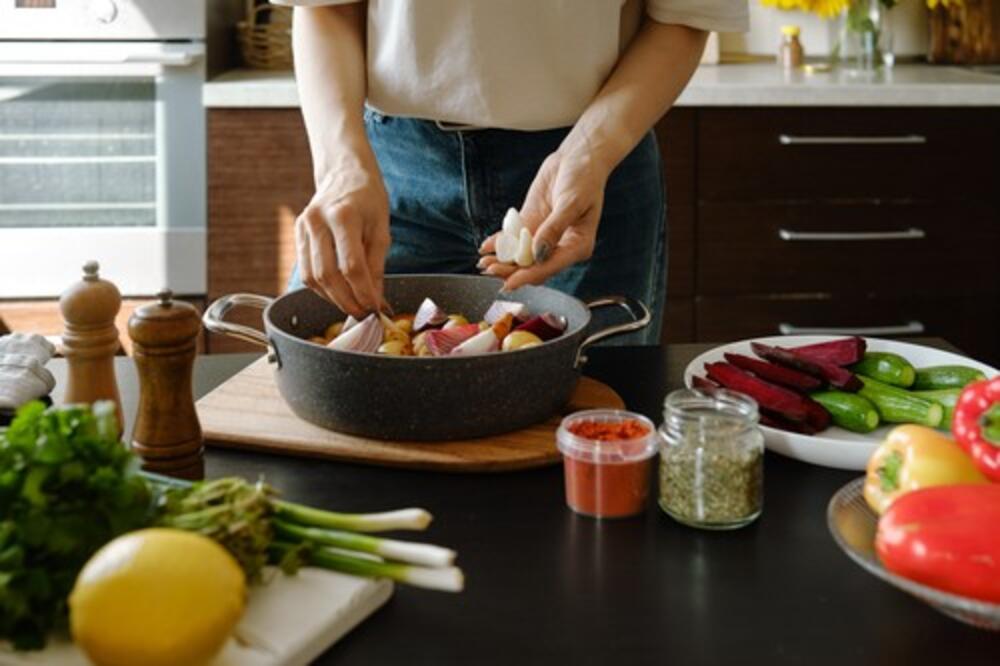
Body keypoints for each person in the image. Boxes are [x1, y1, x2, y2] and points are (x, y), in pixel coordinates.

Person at [276, 0, 747, 344]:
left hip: (588, 165)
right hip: (389, 169)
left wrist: (588, 154)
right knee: (328, 393)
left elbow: (685, 17)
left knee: (593, 422)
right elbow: (325, 7)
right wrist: (341, 165)